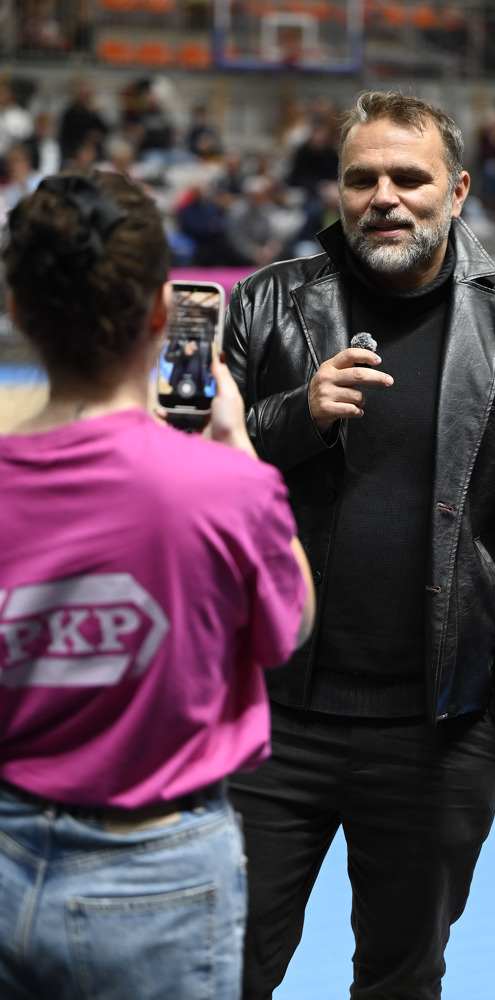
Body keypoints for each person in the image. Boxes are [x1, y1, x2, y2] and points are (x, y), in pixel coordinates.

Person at [224, 90, 495, 999]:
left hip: (441, 731)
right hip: (269, 717)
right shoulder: (266, 304)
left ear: (455, 191)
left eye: (408, 178)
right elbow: (182, 471)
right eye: (361, 178)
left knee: (401, 978)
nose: (383, 197)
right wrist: (296, 415)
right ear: (337, 191)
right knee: (220, 970)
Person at [0, 169, 315, 999]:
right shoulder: (224, 488)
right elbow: (290, 625)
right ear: (158, 314)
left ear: (18, 310)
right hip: (156, 875)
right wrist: (237, 442)